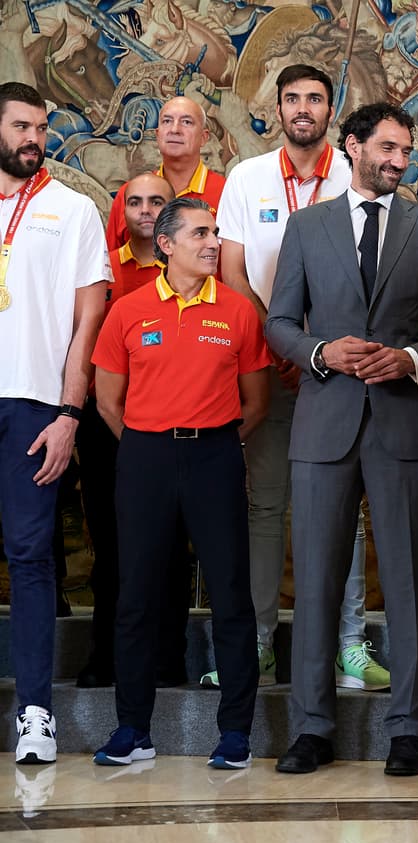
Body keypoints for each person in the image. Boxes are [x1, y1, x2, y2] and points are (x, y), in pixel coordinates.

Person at [265, 102, 418, 777]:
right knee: (312, 584)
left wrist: (411, 358)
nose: (402, 161)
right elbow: (279, 321)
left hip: (403, 422)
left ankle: (409, 728)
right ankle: (311, 727)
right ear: (354, 146)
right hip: (323, 424)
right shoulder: (307, 226)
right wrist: (319, 352)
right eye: (390, 149)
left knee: (406, 581)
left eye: (408, 151)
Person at [210, 65, 391, 694]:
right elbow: (232, 270)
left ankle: (349, 645)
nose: (303, 109)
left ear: (332, 110)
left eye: (315, 98)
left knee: (349, 513)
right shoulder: (247, 177)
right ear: (277, 107)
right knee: (266, 506)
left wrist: (319, 349)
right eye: (293, 99)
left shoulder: (356, 173)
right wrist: (285, 342)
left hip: (344, 372)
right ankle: (261, 642)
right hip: (268, 363)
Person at [89, 197, 270, 770]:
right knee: (136, 595)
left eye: (215, 232)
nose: (213, 242)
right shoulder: (129, 310)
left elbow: (256, 402)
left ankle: (236, 733)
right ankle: (132, 729)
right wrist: (150, 446)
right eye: (199, 233)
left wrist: (211, 447)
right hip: (144, 456)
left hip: (216, 453)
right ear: (165, 244)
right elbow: (107, 400)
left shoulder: (238, 311)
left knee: (232, 597)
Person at [0, 81, 108, 765]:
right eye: (19, 126)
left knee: (33, 560)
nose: (33, 138)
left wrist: (70, 412)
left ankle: (35, 711)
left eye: (40, 126)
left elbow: (88, 321)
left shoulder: (72, 210)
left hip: (35, 404)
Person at [75, 173, 192, 690]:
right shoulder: (102, 270)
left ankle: (169, 658)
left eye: (157, 202)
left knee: (169, 548)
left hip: (173, 426)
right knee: (112, 547)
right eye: (135, 202)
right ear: (120, 211)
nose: (145, 210)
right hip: (108, 425)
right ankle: (106, 656)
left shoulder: (191, 270)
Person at [104, 96, 226, 251]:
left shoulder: (226, 193)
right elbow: (109, 265)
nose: (175, 130)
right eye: (167, 121)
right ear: (157, 134)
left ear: (204, 138)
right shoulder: (129, 194)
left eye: (186, 122)